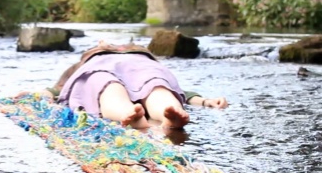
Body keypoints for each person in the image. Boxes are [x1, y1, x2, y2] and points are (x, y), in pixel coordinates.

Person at [29, 41, 228, 130]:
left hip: (143, 66)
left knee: (154, 84)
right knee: (113, 85)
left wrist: (205, 101)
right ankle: (148, 115)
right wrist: (41, 94)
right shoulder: (88, 61)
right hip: (117, 67)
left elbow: (181, 91)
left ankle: (157, 116)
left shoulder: (143, 58)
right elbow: (58, 89)